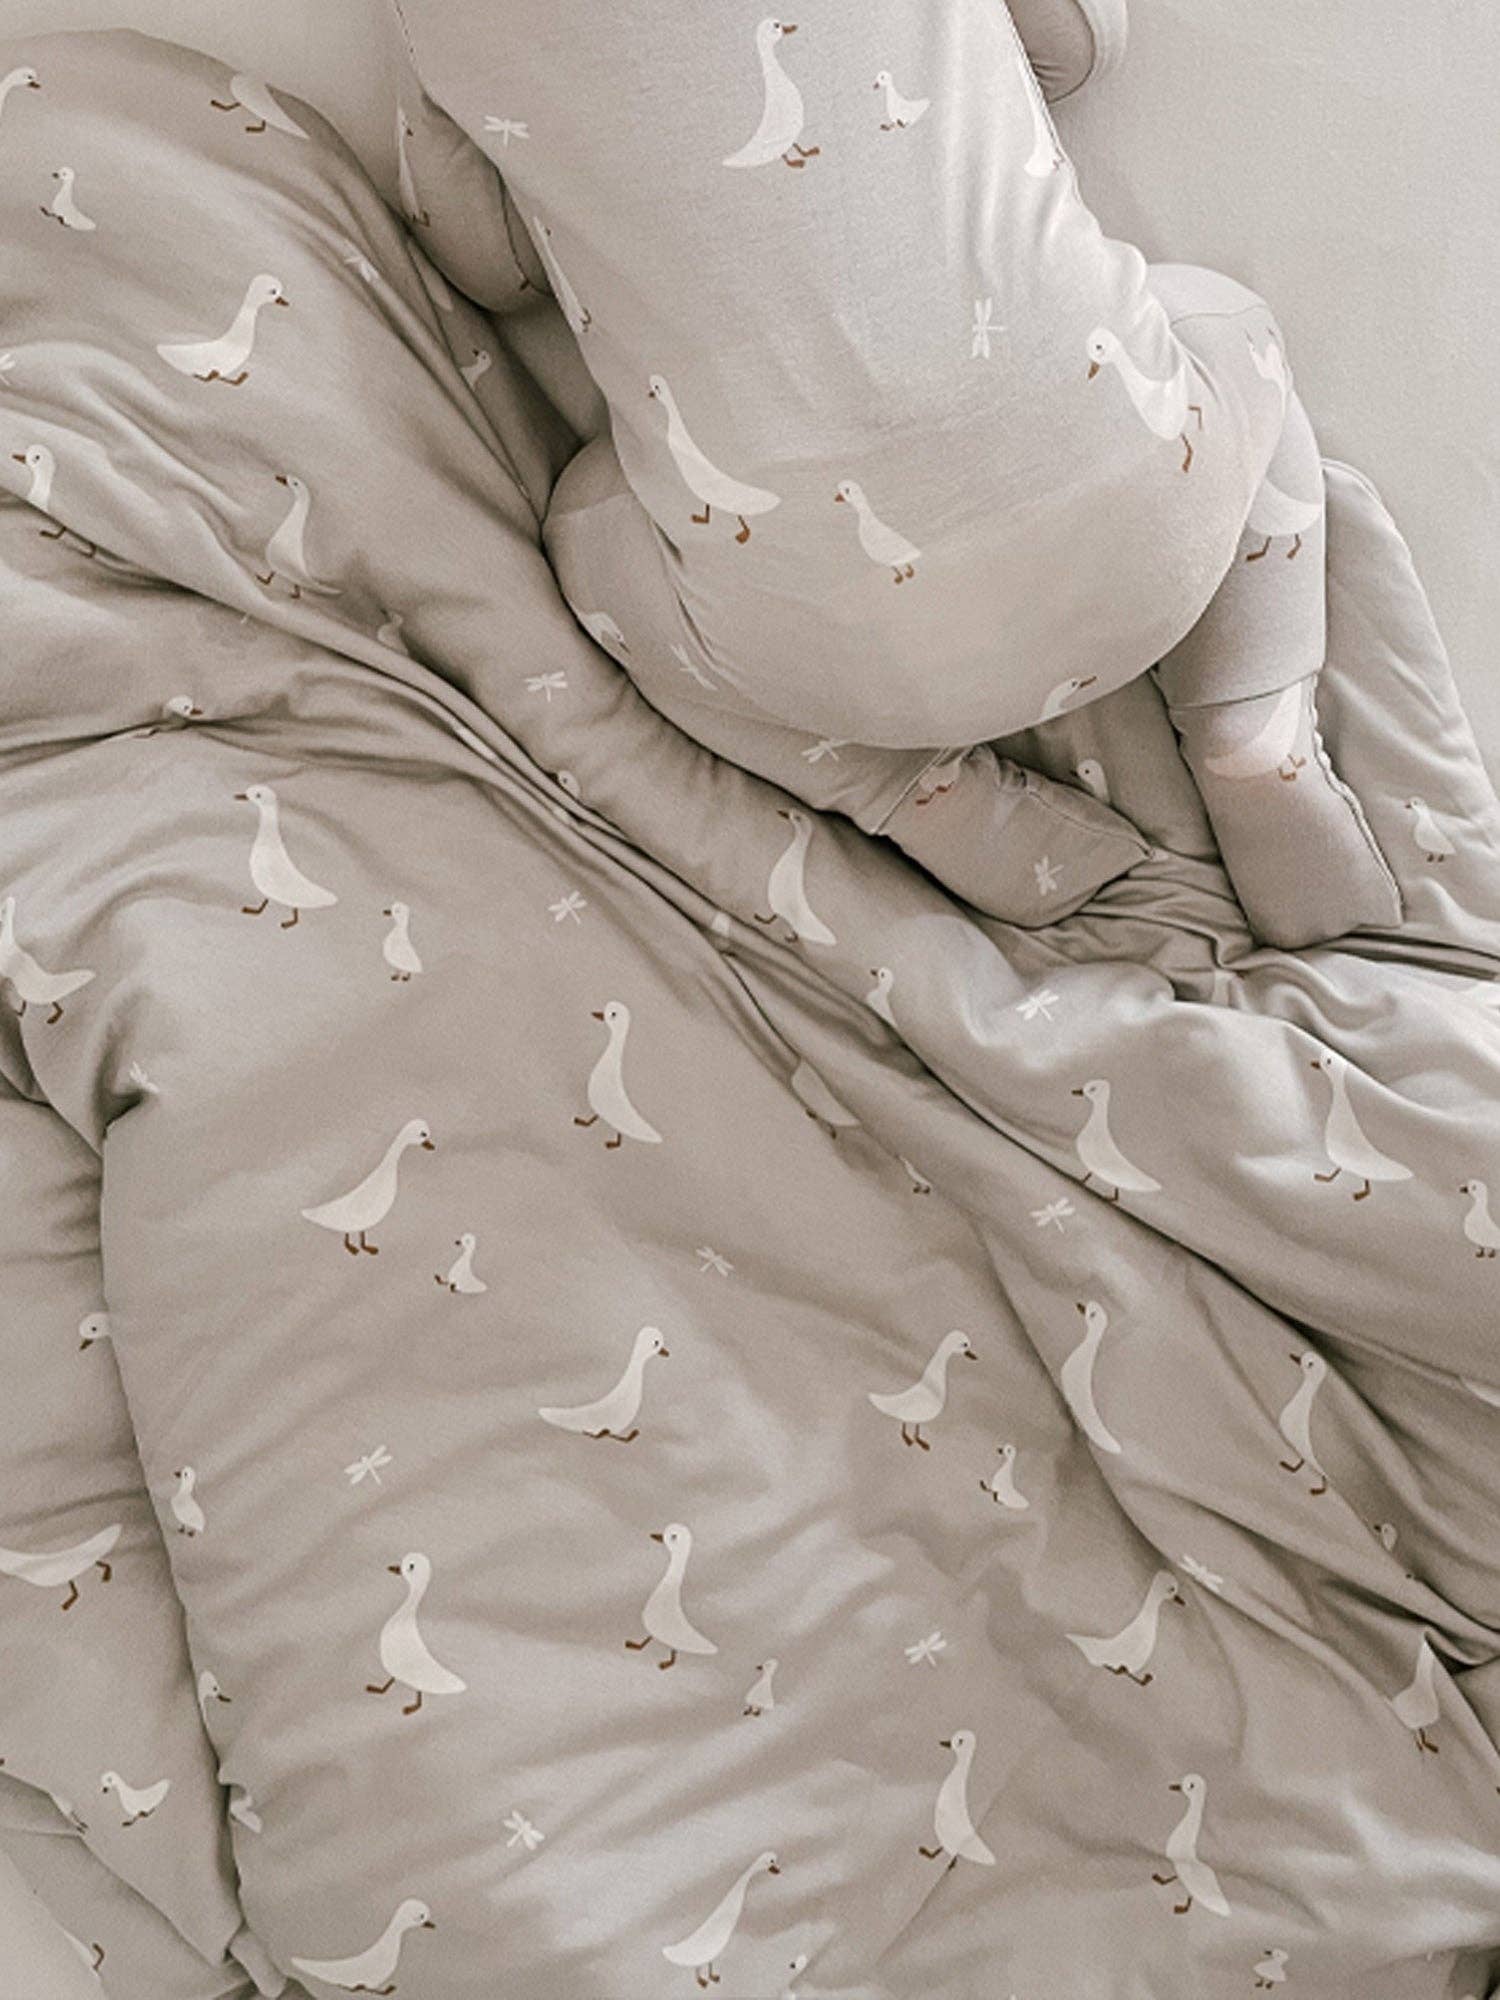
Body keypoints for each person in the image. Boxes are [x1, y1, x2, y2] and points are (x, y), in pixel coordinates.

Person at [387, 0, 1401, 945]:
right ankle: (1252, 731)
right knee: (1222, 321)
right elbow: (1081, 47)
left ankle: (922, 800)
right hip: (1146, 534)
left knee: (585, 534)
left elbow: (493, 271)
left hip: (819, 662)